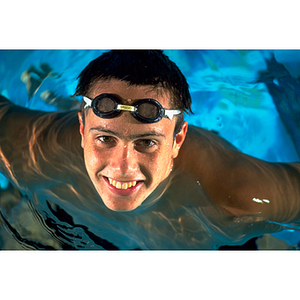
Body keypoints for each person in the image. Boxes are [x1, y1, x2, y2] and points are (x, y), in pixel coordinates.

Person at [0, 50, 300, 250]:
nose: (122, 167)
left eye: (147, 142)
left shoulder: (236, 196)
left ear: (178, 140)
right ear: (82, 129)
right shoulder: (36, 150)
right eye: (105, 139)